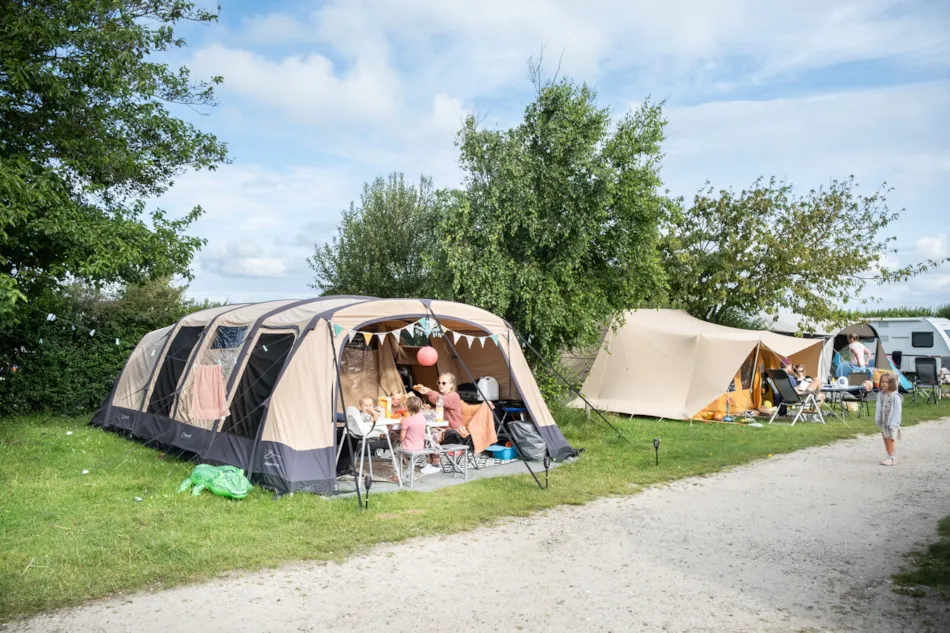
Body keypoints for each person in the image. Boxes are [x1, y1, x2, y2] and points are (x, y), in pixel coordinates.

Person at [414, 372, 470, 446]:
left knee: (430, 434)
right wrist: (431, 409)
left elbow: (441, 400)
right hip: (442, 427)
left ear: (451, 385)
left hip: (452, 430)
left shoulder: (454, 395)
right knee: (421, 430)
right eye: (439, 382)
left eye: (444, 383)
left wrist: (429, 392)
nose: (440, 385)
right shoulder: (444, 396)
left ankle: (434, 455)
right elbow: (442, 410)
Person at [398, 395, 440, 475]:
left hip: (409, 447)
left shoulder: (406, 420)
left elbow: (402, 436)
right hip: (420, 446)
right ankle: (408, 464)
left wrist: (401, 441)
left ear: (407, 407)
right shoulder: (422, 418)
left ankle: (404, 466)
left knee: (396, 447)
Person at [875, 372, 902, 466]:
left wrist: (894, 423)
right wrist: (878, 419)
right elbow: (878, 407)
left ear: (892, 383)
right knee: (885, 437)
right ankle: (889, 455)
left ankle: (892, 458)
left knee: (891, 438)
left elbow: (897, 411)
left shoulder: (895, 396)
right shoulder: (880, 394)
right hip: (884, 421)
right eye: (882, 381)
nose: (884, 384)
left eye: (887, 382)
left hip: (892, 422)